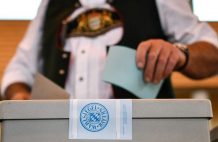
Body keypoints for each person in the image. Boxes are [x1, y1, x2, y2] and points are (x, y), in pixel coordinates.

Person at [1, 0, 218, 100]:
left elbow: (213, 51)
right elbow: (18, 69)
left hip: (144, 140)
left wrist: (179, 53)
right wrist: (19, 95)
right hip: (60, 141)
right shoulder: (50, 5)